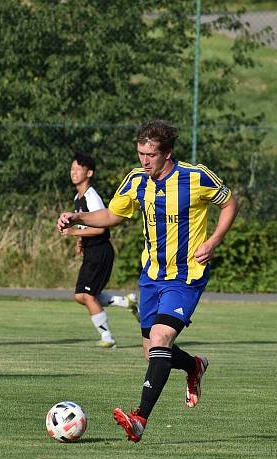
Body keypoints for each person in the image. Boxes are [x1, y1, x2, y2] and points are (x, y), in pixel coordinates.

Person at [57, 120, 239, 442]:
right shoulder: (136, 180)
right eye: (140, 153)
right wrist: (79, 217)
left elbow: (229, 203)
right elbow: (113, 215)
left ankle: (139, 419)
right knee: (153, 352)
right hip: (151, 278)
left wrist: (212, 242)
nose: (144, 161)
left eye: (150, 155)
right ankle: (194, 366)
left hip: (186, 276)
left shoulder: (195, 177)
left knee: (160, 338)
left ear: (167, 153)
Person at [59, 152, 139, 348]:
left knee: (87, 296)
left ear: (90, 173)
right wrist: (79, 240)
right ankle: (124, 302)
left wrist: (72, 233)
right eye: (72, 169)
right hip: (91, 251)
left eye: (78, 169)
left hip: (101, 250)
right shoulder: (78, 197)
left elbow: (102, 227)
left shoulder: (91, 196)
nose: (74, 172)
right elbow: (85, 225)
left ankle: (108, 339)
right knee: (81, 296)